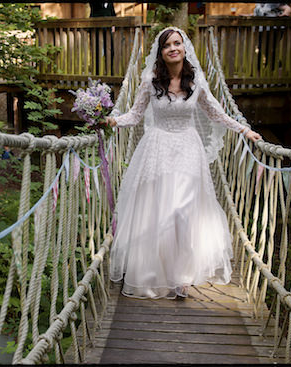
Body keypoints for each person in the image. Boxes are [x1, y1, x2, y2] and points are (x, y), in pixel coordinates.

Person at [105, 27, 261, 299]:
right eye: (167, 46)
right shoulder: (150, 81)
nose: (173, 48)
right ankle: (157, 270)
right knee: (160, 210)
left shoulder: (197, 80)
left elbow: (217, 113)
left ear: (185, 47)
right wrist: (112, 120)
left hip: (188, 147)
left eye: (177, 43)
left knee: (183, 210)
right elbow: (135, 114)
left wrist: (244, 129)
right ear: (161, 53)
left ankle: (181, 276)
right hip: (158, 146)